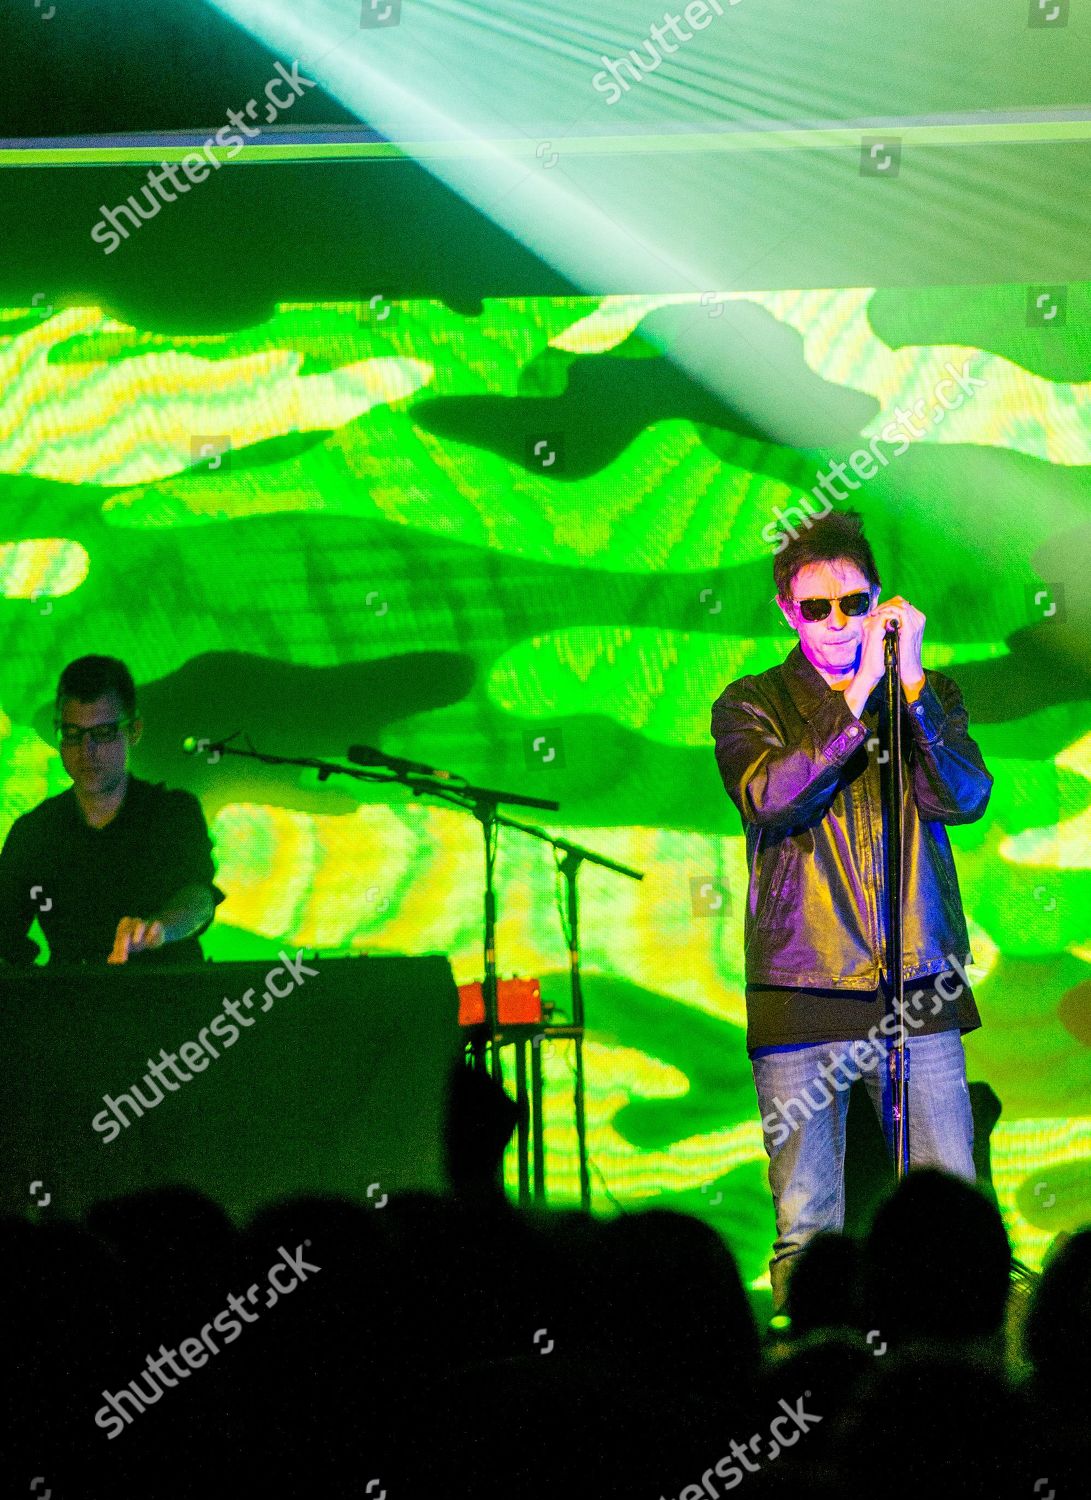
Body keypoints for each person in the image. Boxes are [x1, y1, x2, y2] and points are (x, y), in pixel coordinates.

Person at [710, 509, 993, 1307]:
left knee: (949, 1213)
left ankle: (949, 1377)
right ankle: (815, 1383)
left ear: (878, 600)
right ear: (785, 613)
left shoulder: (925, 694)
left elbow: (965, 796)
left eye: (853, 602)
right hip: (801, 986)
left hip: (918, 980)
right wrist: (853, 701)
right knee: (808, 1226)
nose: (838, 623)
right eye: (815, 608)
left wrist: (906, 695)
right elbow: (770, 799)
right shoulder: (751, 704)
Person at [0, 655, 224, 966]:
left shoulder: (173, 813)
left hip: (170, 998)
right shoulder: (34, 833)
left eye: (102, 733)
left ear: (134, 730)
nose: (86, 750)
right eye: (73, 734)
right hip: (75, 1006)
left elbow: (199, 899)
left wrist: (159, 929)